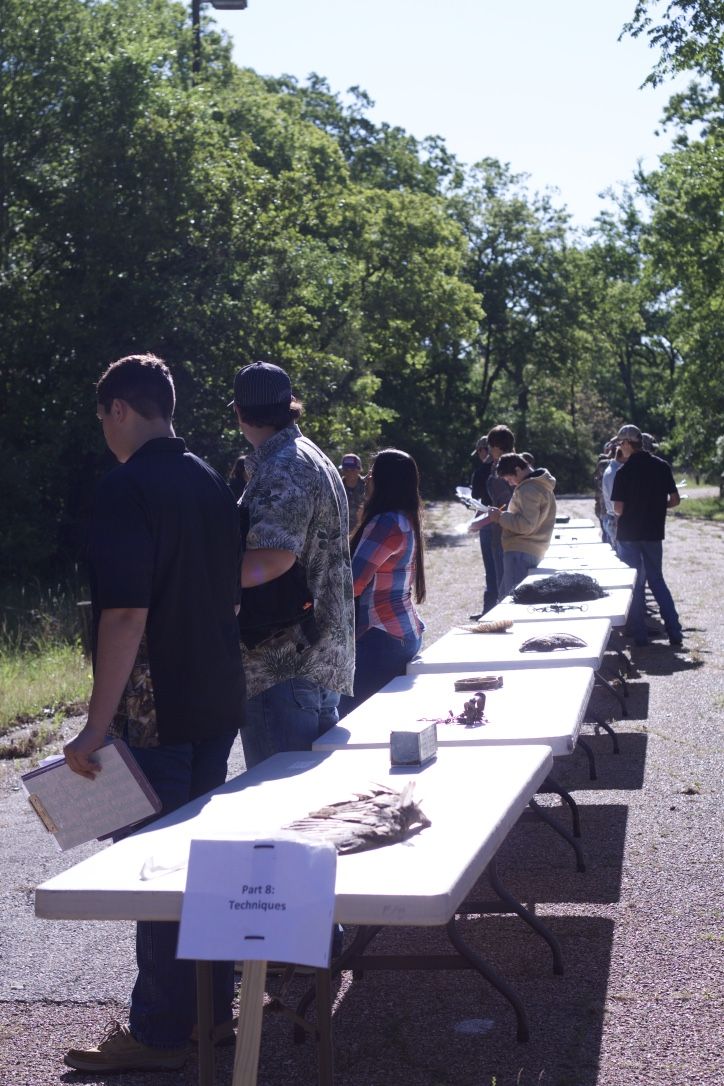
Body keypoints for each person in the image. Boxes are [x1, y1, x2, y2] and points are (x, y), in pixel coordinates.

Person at [63, 354, 245, 1073]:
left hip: (157, 709)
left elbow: (125, 613)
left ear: (118, 409)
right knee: (203, 868)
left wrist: (95, 724)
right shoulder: (209, 480)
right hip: (216, 699)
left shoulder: (124, 487)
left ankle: (162, 1034)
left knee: (161, 872)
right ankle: (212, 1019)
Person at [231, 361, 355, 766]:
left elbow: (274, 558)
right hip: (317, 660)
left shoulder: (282, 466)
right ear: (290, 405)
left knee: (280, 814)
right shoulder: (311, 456)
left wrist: (199, 583)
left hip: (282, 667)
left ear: (239, 411)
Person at [338, 449, 426, 717]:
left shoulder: (386, 523)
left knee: (345, 720)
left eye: (372, 473)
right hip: (399, 632)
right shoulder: (404, 517)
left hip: (381, 636)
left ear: (386, 481)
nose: (366, 479)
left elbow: (351, 583)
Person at [611, 423, 683, 647]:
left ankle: (640, 636)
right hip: (653, 532)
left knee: (635, 583)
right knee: (657, 580)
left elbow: (618, 509)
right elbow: (674, 500)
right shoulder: (661, 466)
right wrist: (656, 507)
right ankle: (674, 631)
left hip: (629, 534)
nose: (619, 448)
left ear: (626, 444)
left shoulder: (623, 472)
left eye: (620, 444)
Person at [469, 452, 556, 599]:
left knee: (511, 602)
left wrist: (500, 517)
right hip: (528, 551)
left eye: (510, 479)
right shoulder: (539, 486)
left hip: (521, 552)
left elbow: (526, 525)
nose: (510, 483)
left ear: (518, 469)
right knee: (506, 599)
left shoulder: (529, 489)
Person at [484, 424, 516, 599]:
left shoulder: (503, 467)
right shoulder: (510, 463)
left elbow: (506, 503)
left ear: (496, 447)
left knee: (506, 588)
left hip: (505, 533)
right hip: (502, 530)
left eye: (490, 445)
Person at [469, 436, 498, 617]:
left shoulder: (481, 471)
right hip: (508, 525)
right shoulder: (508, 465)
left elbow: (474, 498)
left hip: (488, 524)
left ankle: (489, 610)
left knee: (491, 567)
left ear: (483, 450)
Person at [601, 444, 624, 548]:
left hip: (613, 519)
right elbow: (616, 504)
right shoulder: (615, 473)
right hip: (616, 521)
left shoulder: (612, 470)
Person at [339, 452, 366, 534]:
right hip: (340, 533)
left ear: (359, 469)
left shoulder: (368, 486)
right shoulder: (336, 486)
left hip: (362, 532)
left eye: (353, 470)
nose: (349, 473)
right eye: (346, 470)